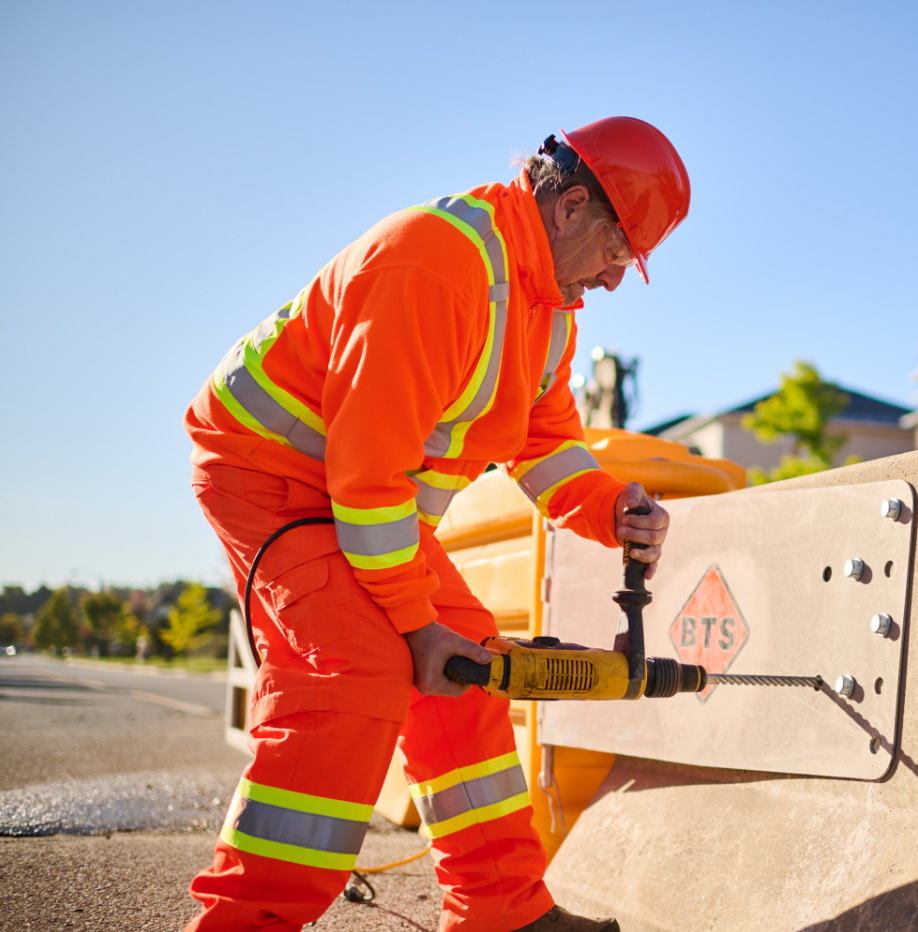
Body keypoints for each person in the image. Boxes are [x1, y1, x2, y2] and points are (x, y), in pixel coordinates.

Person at [181, 117, 689, 932]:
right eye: (618, 250)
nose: (616, 279)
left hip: (358, 499)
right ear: (569, 207)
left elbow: (545, 442)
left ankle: (503, 914)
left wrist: (610, 505)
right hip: (274, 477)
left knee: (471, 671)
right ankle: (246, 921)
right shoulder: (439, 264)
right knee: (354, 672)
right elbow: (367, 475)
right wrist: (415, 628)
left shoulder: (546, 310)